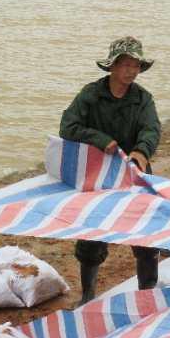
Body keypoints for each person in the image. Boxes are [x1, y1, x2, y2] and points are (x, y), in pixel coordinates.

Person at [60, 36, 161, 306]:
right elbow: (67, 127)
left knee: (146, 234)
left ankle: (147, 293)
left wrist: (141, 151)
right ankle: (88, 294)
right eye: (125, 64)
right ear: (112, 66)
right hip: (98, 173)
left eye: (135, 65)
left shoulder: (143, 99)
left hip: (134, 171)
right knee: (92, 234)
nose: (131, 70)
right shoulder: (90, 95)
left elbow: (152, 129)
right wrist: (100, 139)